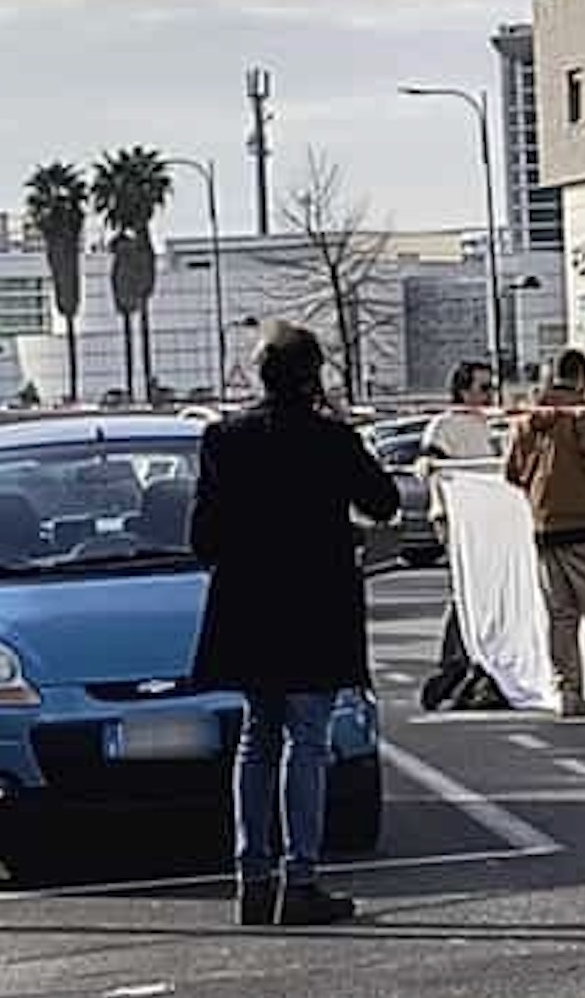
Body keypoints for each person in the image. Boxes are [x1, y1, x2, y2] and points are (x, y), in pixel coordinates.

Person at [189, 321, 400, 928]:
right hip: (315, 608)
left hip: (251, 608)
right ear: (314, 376)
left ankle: (252, 879)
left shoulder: (224, 440)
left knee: (258, 739)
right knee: (308, 739)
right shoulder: (330, 440)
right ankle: (299, 879)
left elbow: (202, 539)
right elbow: (383, 501)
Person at [504, 349, 585, 718]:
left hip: (545, 528)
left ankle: (569, 694)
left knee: (561, 616)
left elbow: (511, 471)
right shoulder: (582, 413)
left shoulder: (528, 419)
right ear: (582, 376)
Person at [425, 361, 500, 463]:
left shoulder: (490, 424)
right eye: (484, 388)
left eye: (493, 388)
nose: (491, 394)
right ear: (464, 392)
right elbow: (429, 461)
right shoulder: (444, 425)